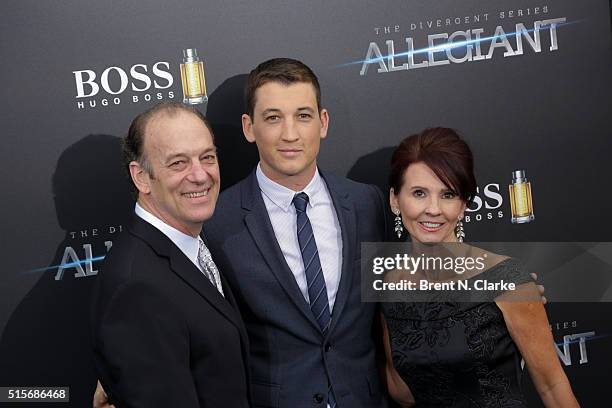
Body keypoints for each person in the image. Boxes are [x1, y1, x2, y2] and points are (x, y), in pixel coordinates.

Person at [202, 58, 389, 407]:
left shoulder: (366, 203)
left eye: (303, 116)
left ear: (323, 122)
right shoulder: (216, 221)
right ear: (249, 127)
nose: (290, 134)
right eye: (273, 118)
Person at [381, 128, 579, 407]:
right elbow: (400, 391)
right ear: (394, 199)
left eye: (448, 194)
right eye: (419, 193)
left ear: (463, 206)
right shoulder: (390, 286)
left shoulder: (506, 279)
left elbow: (552, 386)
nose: (433, 209)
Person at [90, 102, 250, 408]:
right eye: (178, 163)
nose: (200, 175)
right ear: (141, 177)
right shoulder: (136, 287)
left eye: (207, 157)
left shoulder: (195, 244)